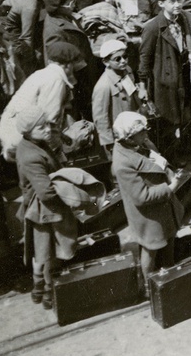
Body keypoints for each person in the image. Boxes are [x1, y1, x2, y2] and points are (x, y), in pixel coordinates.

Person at [15, 105, 76, 311]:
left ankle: (38, 286)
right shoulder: (31, 156)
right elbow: (46, 193)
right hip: (43, 210)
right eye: (41, 128)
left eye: (47, 125)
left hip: (40, 207)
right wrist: (72, 202)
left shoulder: (32, 143)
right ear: (28, 131)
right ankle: (49, 292)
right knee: (49, 253)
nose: (47, 130)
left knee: (40, 253)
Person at [111, 111, 181, 288]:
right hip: (147, 214)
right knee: (151, 248)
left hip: (161, 206)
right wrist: (169, 188)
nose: (146, 134)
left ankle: (169, 272)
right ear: (129, 137)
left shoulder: (141, 144)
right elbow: (142, 196)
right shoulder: (122, 163)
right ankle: (149, 285)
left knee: (169, 237)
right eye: (142, 131)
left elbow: (158, 162)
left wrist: (169, 172)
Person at [138, 0, 191, 153]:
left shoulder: (190, 22)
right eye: (172, 1)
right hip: (165, 80)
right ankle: (171, 155)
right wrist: (143, 86)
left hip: (187, 76)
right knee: (168, 119)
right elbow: (144, 58)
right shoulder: (152, 28)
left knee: (187, 114)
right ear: (161, 3)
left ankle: (188, 149)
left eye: (179, 0)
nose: (177, 5)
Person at [91, 38, 147, 153]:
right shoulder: (103, 86)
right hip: (120, 136)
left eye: (125, 56)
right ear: (106, 62)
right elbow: (101, 119)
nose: (123, 61)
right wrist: (109, 144)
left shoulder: (127, 71)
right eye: (117, 59)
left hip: (134, 127)